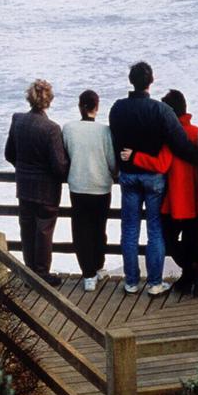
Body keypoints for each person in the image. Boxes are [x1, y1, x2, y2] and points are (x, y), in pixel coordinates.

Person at [109, 61, 198, 296]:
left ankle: (130, 281)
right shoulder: (160, 110)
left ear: (131, 80)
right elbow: (179, 144)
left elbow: (115, 140)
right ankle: (155, 283)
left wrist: (124, 162)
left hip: (128, 175)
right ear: (151, 80)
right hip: (154, 178)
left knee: (129, 229)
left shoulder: (117, 108)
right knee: (155, 230)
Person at [4, 79, 69, 286]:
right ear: (48, 101)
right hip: (46, 190)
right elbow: (59, 166)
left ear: (29, 98)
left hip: (24, 186)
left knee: (27, 228)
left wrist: (24, 169)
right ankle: (41, 274)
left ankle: (29, 273)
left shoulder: (18, 120)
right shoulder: (51, 129)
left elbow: (9, 154)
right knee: (43, 231)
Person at [63, 89, 116, 292]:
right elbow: (112, 161)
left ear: (80, 106)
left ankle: (88, 275)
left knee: (81, 231)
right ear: (97, 107)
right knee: (98, 229)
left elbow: (65, 157)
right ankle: (98, 266)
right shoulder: (105, 131)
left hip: (78, 185)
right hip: (101, 186)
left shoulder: (68, 129)